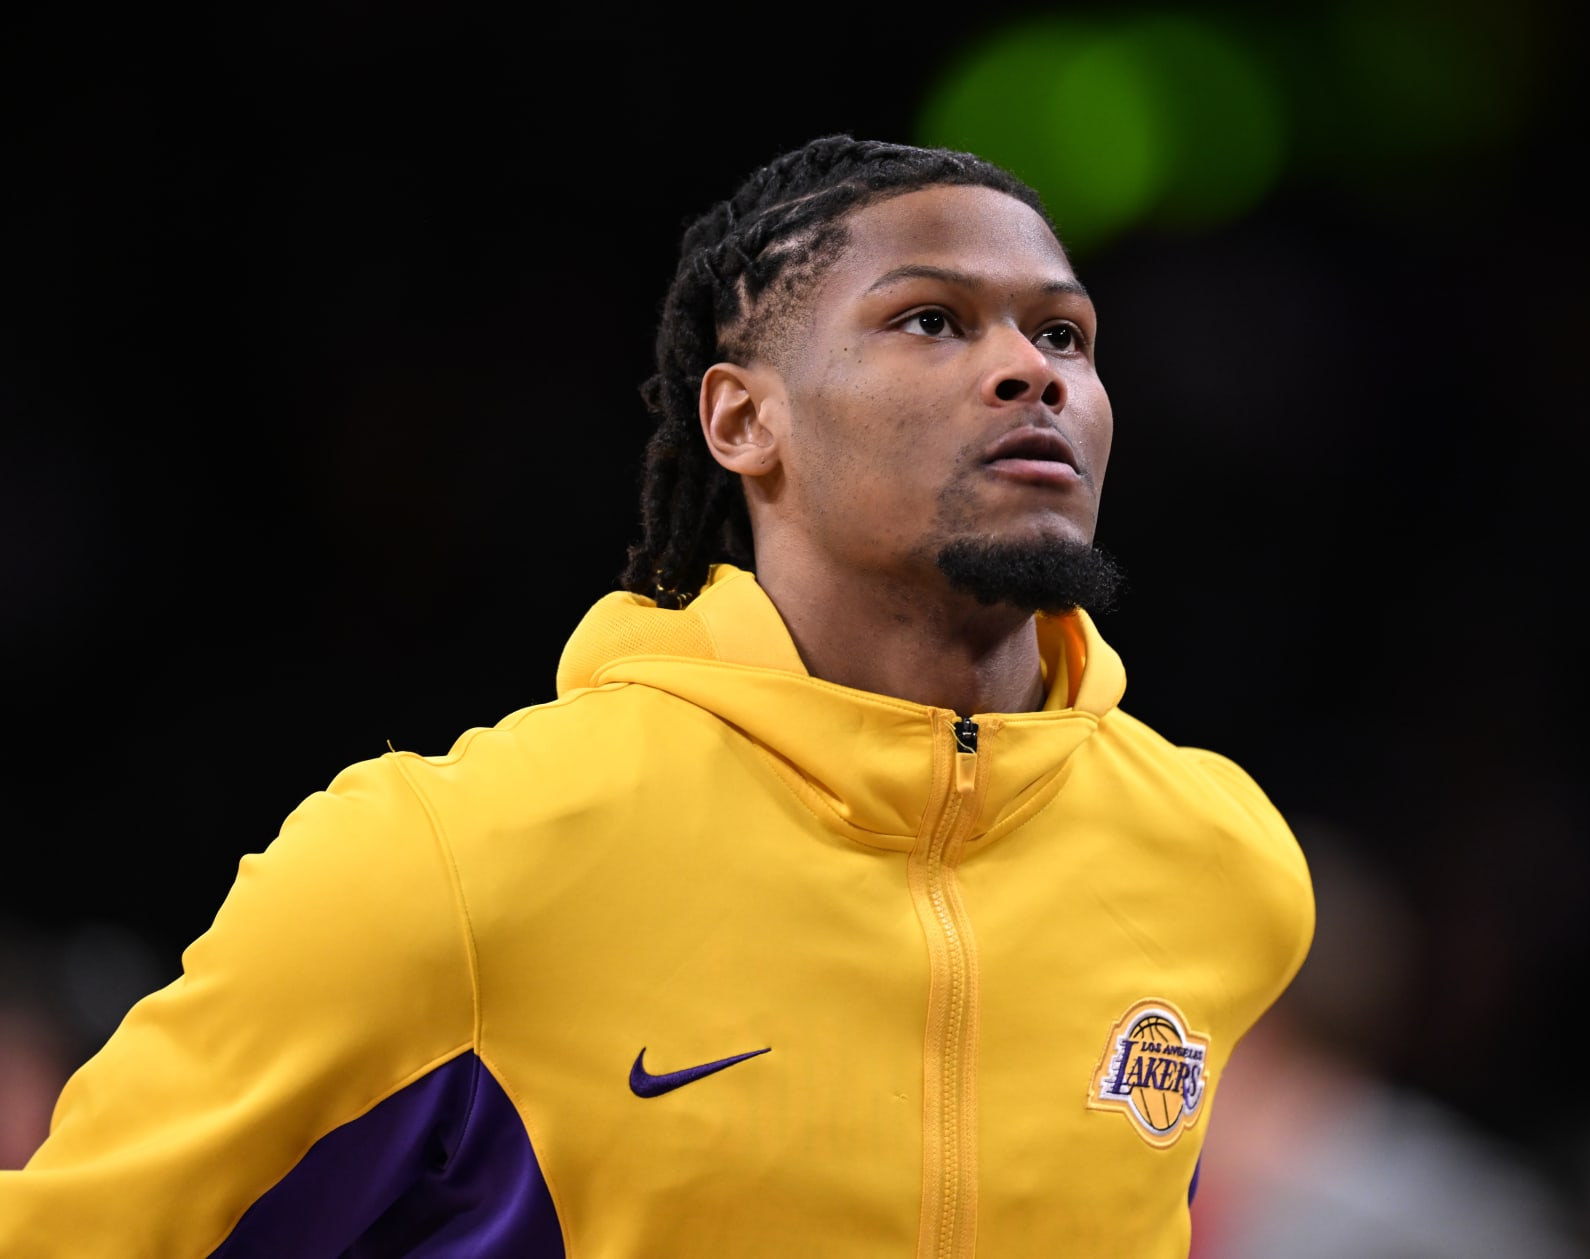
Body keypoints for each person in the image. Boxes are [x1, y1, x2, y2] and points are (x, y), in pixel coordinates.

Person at [0, 134, 1315, 1257]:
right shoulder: (449, 865)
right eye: (930, 319)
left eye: (1063, 333)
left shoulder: (1222, 862)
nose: (1034, 371)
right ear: (745, 422)